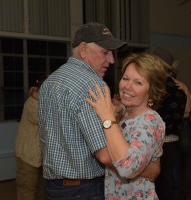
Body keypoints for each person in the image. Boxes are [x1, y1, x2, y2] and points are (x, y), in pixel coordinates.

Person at [38, 22, 127, 200]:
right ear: (84, 49)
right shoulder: (92, 85)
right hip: (84, 189)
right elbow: (104, 155)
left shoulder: (50, 82)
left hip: (53, 186)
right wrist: (140, 168)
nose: (111, 60)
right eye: (105, 52)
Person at [85, 53, 167, 199]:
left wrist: (107, 117)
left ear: (151, 91)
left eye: (138, 83)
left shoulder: (150, 120)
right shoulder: (125, 114)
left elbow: (128, 167)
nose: (127, 87)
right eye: (125, 78)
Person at [152, 47, 187, 200]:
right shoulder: (180, 89)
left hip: (156, 141)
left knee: (157, 183)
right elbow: (186, 113)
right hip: (172, 142)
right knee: (167, 180)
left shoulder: (156, 87)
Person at [15, 75, 48, 200]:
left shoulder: (41, 100)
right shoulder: (32, 103)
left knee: (40, 189)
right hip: (27, 156)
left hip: (39, 156)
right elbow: (48, 120)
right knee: (27, 189)